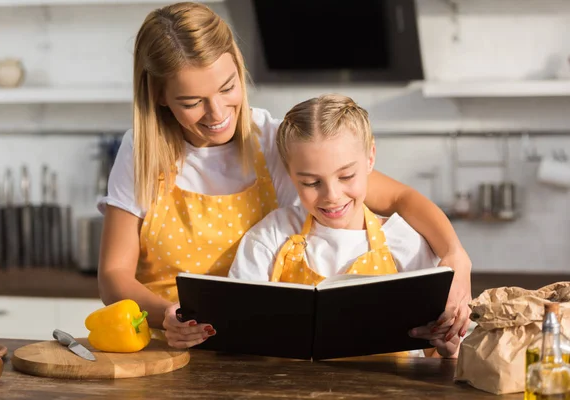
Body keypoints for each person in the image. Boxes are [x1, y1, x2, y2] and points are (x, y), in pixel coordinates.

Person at [97, 2, 471, 351]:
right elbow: (113, 274)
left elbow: (398, 199)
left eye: (228, 88)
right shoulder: (143, 152)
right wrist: (167, 316)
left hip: (252, 350)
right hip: (169, 345)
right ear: (159, 95)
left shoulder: (270, 141)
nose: (216, 113)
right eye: (192, 103)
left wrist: (456, 255)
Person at [228, 94, 459, 358]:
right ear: (290, 173)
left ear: (370, 158)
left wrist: (448, 348)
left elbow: (436, 352)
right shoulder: (270, 236)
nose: (332, 195)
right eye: (311, 183)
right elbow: (238, 328)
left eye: (346, 176)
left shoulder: (406, 243)